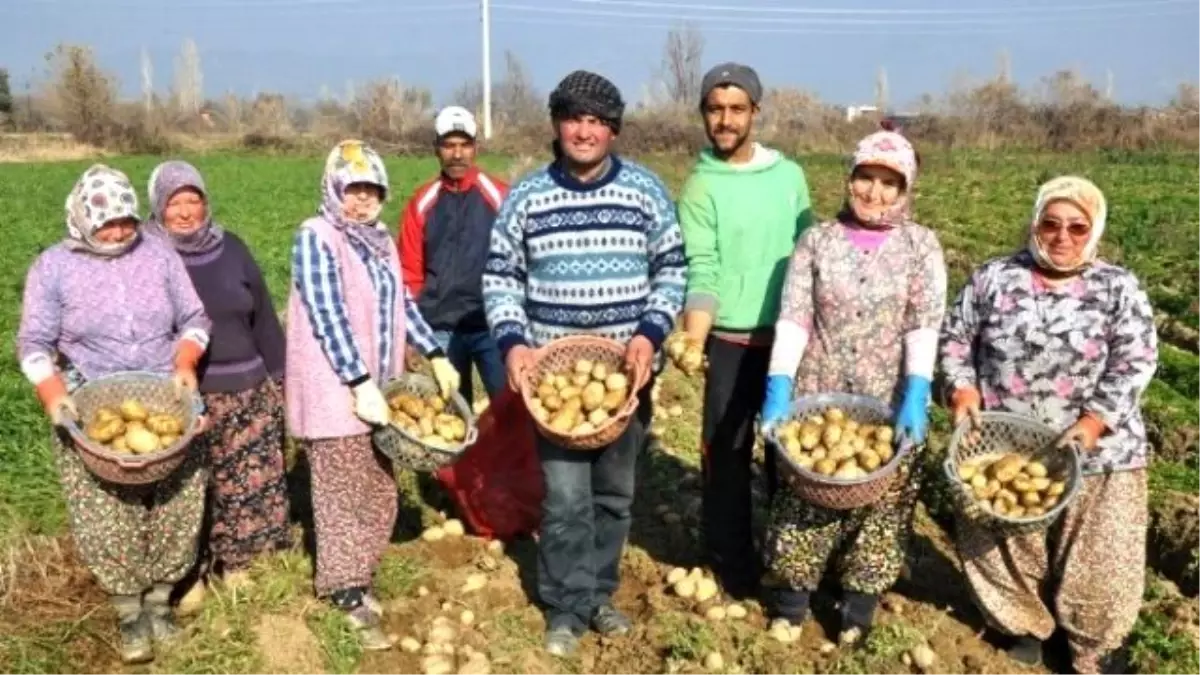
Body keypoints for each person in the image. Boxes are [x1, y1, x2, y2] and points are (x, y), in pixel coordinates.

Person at [483, 70, 687, 657]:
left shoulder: (645, 192)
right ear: (556, 123)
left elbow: (672, 270)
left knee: (614, 495)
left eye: (597, 121)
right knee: (567, 498)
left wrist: (650, 334)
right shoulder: (528, 196)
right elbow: (500, 277)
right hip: (554, 383)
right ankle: (565, 607)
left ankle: (599, 591)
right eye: (574, 117)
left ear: (614, 131)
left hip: (628, 378)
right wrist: (514, 343)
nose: (585, 130)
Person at [939, 176, 1158, 674]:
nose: (1062, 236)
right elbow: (955, 337)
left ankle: (1093, 646)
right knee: (1002, 539)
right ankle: (1022, 626)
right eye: (1051, 223)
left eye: (1077, 227)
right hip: (1005, 445)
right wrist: (963, 388)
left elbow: (1137, 359)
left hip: (1101, 451)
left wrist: (1095, 420)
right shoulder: (993, 277)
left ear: (1094, 231)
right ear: (1035, 224)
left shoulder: (1117, 287)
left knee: (1101, 556)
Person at [17, 164, 212, 664]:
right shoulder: (53, 268)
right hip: (92, 408)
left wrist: (186, 361)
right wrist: (54, 393)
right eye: (106, 222)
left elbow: (194, 319)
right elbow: (34, 344)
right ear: (82, 218)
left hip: (166, 398)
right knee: (107, 513)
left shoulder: (158, 253)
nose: (119, 231)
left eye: (126, 220)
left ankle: (161, 603)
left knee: (178, 503)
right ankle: (129, 614)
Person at [759, 130, 946, 644]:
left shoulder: (920, 245)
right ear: (850, 178)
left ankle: (857, 612)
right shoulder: (816, 240)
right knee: (805, 500)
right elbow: (795, 317)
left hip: (888, 401)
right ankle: (792, 604)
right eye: (866, 177)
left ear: (905, 188)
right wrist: (779, 384)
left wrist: (916, 390)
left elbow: (924, 322)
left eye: (890, 182)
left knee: (882, 509)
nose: (875, 192)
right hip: (817, 394)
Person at [285, 140, 461, 650]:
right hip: (335, 388)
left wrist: (435, 353)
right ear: (334, 189)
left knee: (380, 488)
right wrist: (357, 382)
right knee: (343, 493)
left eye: (371, 190)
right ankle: (343, 592)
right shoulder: (317, 237)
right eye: (353, 189)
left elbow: (403, 301)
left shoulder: (378, 240)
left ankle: (358, 577)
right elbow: (327, 312)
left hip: (379, 390)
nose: (362, 201)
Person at [675, 62, 814, 599]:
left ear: (756, 111)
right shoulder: (700, 185)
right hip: (730, 340)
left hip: (787, 340)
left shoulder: (789, 176)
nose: (725, 120)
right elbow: (702, 268)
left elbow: (808, 255)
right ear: (704, 115)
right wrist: (693, 337)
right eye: (715, 109)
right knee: (727, 455)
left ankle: (792, 564)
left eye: (736, 109)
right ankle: (732, 564)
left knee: (790, 457)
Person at [143, 160, 291, 596]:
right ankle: (187, 573)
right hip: (184, 395)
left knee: (248, 485)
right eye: (175, 203)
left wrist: (280, 377)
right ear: (157, 206)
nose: (187, 212)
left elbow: (263, 315)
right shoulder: (146, 257)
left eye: (195, 200)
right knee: (188, 489)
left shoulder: (232, 248)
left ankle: (240, 564)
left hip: (247, 388)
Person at [399, 105, 509, 403]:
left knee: (509, 407)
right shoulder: (422, 203)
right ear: (437, 149)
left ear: (475, 148)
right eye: (449, 145)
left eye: (464, 145)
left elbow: (519, 263)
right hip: (441, 326)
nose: (457, 154)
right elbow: (410, 271)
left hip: (490, 324)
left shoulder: (500, 196)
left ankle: (509, 452)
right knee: (452, 412)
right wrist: (410, 334)